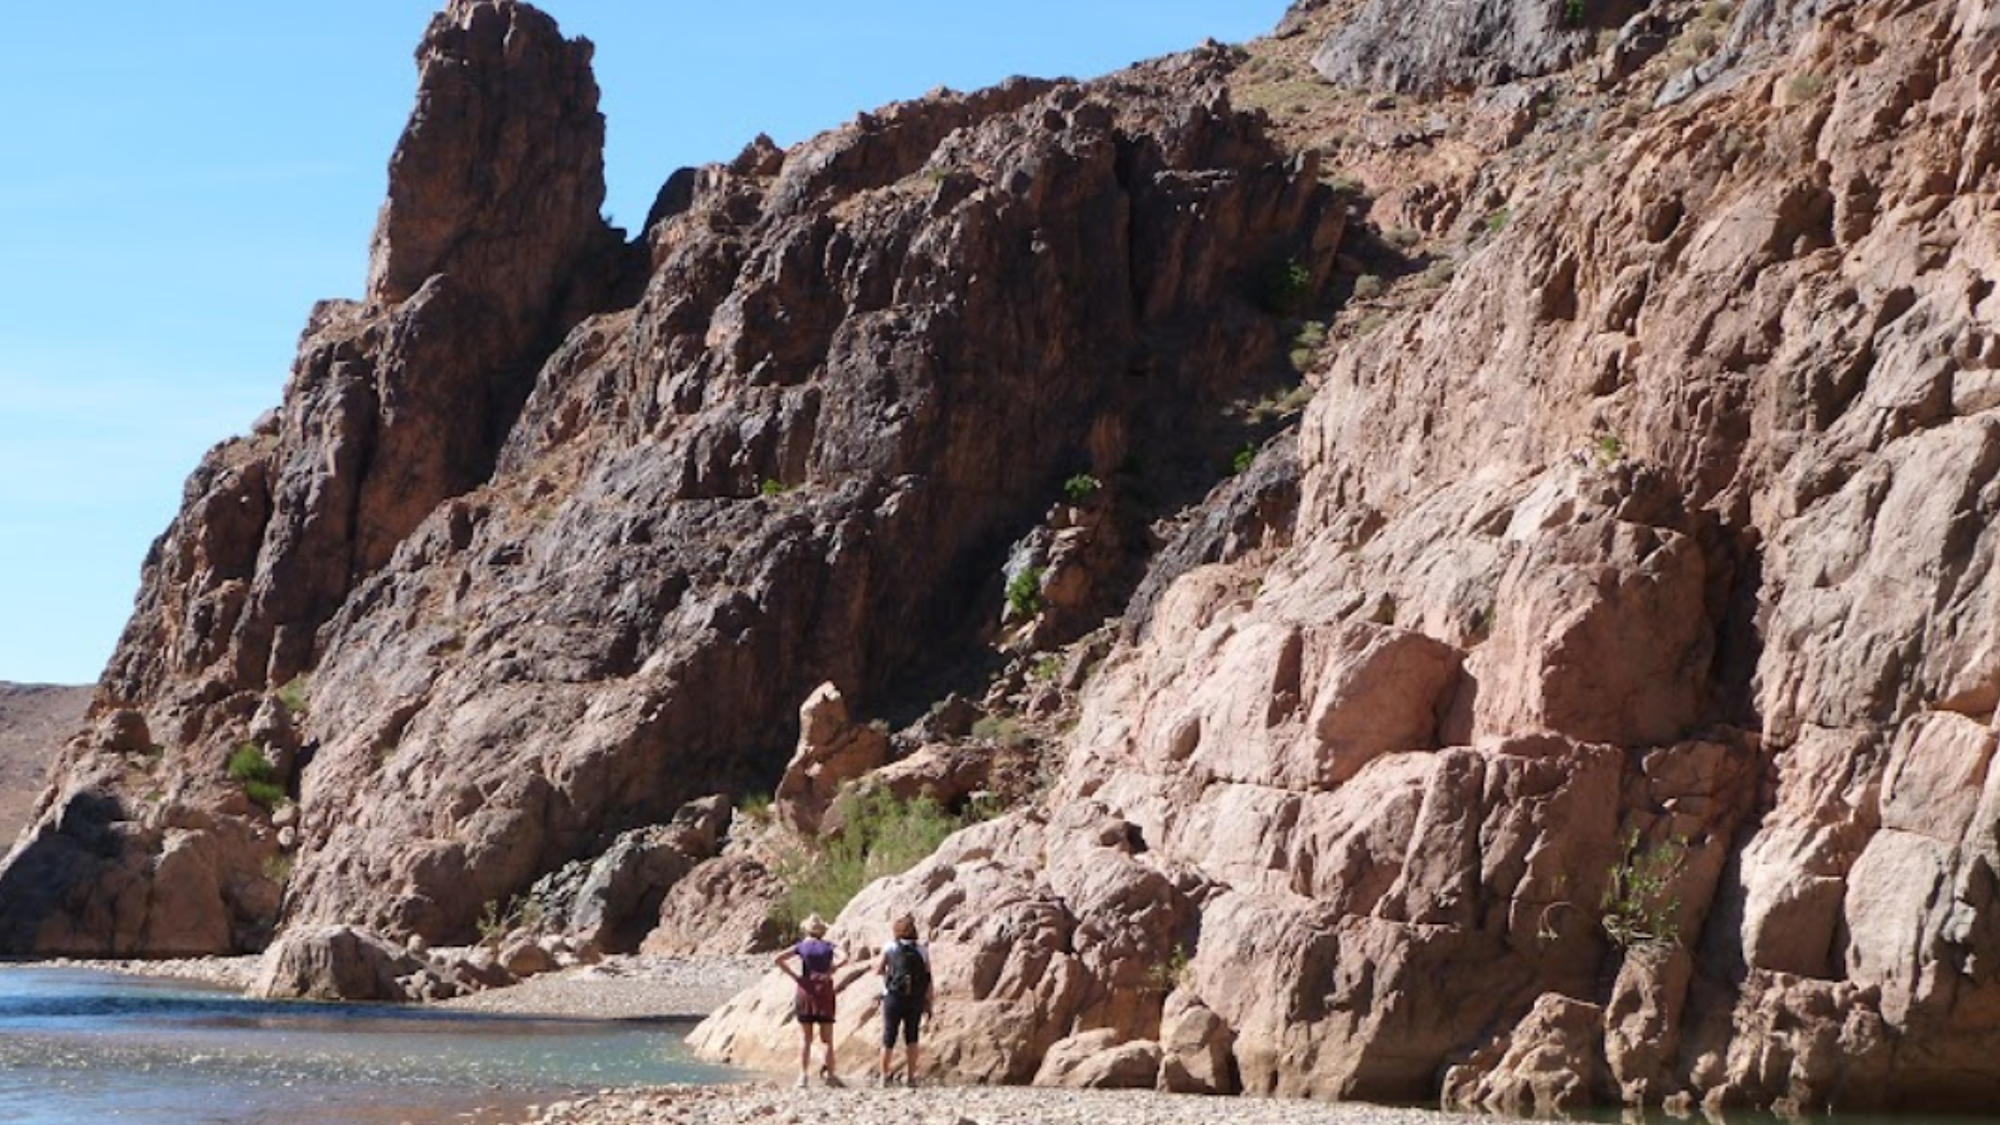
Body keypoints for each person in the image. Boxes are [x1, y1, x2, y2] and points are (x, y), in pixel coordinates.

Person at [774, 913, 842, 1087]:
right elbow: (846, 955)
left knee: (806, 1038)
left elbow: (778, 959)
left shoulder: (801, 947)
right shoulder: (829, 946)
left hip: (806, 990)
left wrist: (795, 976)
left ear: (807, 930)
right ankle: (831, 1076)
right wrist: (832, 969)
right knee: (827, 1038)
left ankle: (803, 1076)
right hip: (825, 991)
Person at [875, 913, 933, 1086]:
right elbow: (928, 977)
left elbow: (878, 970)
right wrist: (929, 1001)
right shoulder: (921, 949)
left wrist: (888, 977)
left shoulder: (890, 947)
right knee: (912, 1037)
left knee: (889, 1036)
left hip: (893, 997)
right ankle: (911, 1078)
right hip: (914, 998)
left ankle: (883, 1078)